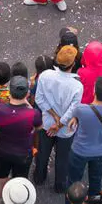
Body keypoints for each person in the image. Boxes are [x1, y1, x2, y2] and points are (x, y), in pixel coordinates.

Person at [0, 76, 42, 204]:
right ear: (27, 93)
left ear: (10, 91)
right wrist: (28, 104)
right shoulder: (33, 114)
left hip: (3, 150)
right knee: (21, 184)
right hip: (23, 154)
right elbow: (38, 127)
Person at [33, 45, 82, 193]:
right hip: (65, 129)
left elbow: (39, 99)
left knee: (43, 153)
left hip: (47, 123)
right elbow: (73, 109)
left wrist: (54, 117)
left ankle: (39, 178)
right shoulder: (77, 86)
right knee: (63, 159)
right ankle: (60, 186)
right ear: (73, 64)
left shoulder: (46, 75)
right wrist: (59, 124)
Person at [67, 77, 102, 199]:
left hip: (80, 151)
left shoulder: (81, 109)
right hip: (100, 151)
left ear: (94, 91)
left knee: (73, 181)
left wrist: (75, 118)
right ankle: (94, 203)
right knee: (96, 181)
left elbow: (77, 114)